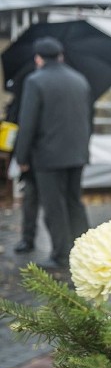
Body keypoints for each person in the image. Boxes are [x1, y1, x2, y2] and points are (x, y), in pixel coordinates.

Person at [13, 36, 91, 270]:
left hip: (48, 157)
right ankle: (86, 249)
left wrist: (22, 157)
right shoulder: (80, 80)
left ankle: (60, 255)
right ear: (61, 56)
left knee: (54, 206)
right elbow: (88, 119)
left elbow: (28, 123)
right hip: (77, 154)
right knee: (74, 202)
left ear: (38, 58)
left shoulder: (35, 81)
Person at [4, 89, 40, 254]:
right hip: (36, 156)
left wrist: (21, 157)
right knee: (33, 199)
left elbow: (24, 125)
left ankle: (28, 239)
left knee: (31, 200)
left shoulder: (30, 90)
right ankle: (28, 239)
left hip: (33, 156)